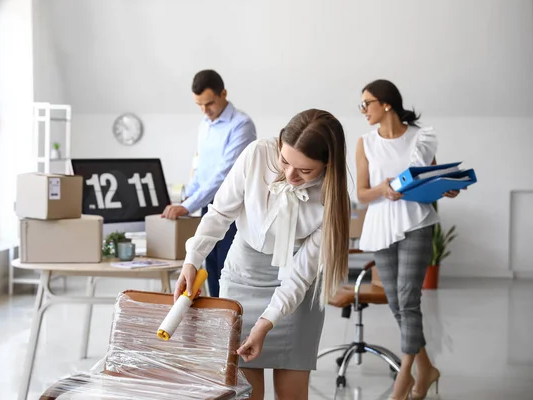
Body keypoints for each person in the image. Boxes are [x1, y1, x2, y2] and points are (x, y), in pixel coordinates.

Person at [174, 109, 350, 400]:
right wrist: (192, 258)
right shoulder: (256, 155)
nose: (290, 175)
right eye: (284, 161)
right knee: (245, 393)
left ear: (328, 165)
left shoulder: (332, 197)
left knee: (292, 395)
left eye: (304, 171)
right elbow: (218, 214)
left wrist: (267, 322)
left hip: (296, 292)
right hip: (242, 276)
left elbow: (300, 276)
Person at [355, 79, 460, 400]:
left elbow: (430, 178)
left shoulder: (420, 137)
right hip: (381, 226)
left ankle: (404, 378)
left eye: (366, 104)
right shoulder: (365, 143)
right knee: (398, 304)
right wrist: (383, 189)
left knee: (407, 298)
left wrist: (445, 186)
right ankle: (426, 369)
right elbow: (361, 194)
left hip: (416, 222)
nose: (363, 111)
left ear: (386, 104)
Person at [162, 70, 256, 297]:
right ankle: (216, 322)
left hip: (234, 207)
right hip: (208, 204)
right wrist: (185, 198)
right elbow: (201, 170)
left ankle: (232, 320)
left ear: (223, 93)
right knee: (209, 266)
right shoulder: (205, 124)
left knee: (228, 269)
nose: (205, 110)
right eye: (199, 105)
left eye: (209, 103)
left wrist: (188, 206)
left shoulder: (241, 125)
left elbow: (223, 175)